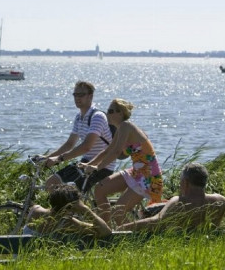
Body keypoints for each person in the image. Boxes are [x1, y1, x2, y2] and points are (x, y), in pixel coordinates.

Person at [82, 98, 163, 227]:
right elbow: (107, 150)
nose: (107, 114)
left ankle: (133, 238)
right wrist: (88, 164)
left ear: (120, 113)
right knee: (99, 189)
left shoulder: (126, 126)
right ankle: (105, 229)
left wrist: (96, 168)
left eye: (110, 111)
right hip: (136, 172)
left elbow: (116, 152)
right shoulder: (120, 129)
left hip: (148, 176)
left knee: (118, 212)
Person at [42, 80, 116, 193]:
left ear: (90, 96)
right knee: (50, 183)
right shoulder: (79, 117)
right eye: (75, 94)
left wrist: (59, 159)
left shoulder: (97, 117)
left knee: (71, 194)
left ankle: (78, 210)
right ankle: (62, 210)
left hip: (102, 165)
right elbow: (69, 144)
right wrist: (47, 158)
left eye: (81, 95)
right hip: (85, 162)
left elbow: (87, 146)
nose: (77, 98)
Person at [24, 184, 111, 238]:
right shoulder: (67, 223)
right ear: (72, 206)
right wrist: (85, 209)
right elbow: (105, 232)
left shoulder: (35, 210)